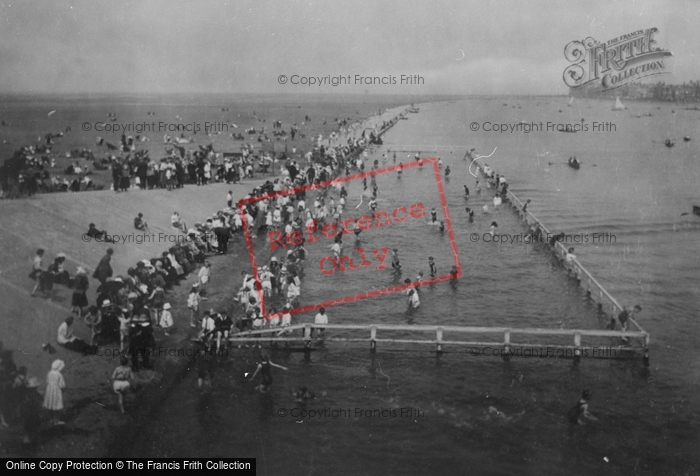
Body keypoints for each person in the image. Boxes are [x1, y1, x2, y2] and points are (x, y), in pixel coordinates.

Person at [43, 359, 66, 425]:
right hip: (56, 391)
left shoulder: (49, 373)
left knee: (50, 405)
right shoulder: (59, 375)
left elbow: (47, 381)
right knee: (56, 406)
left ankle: (51, 419)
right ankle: (56, 421)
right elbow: (62, 384)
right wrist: (63, 388)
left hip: (49, 390)